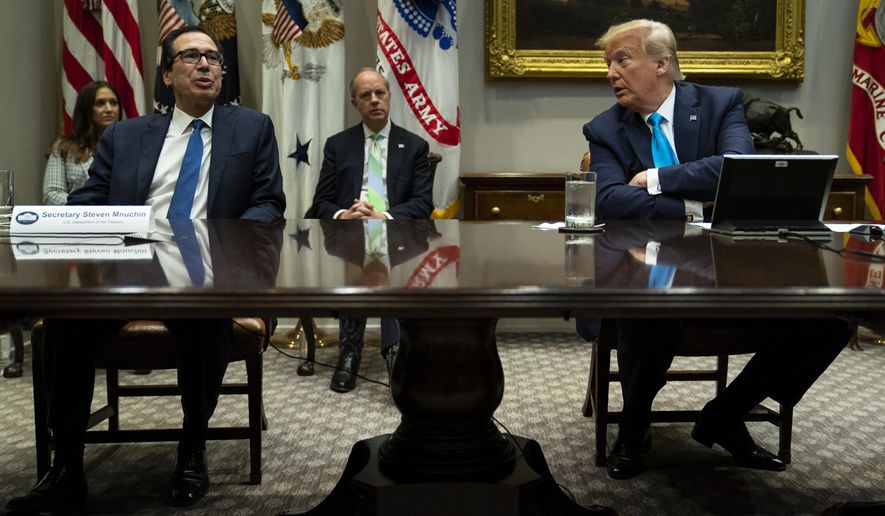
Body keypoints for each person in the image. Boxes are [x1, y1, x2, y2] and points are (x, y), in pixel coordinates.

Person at [6, 26, 284, 514]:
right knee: (65, 321)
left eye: (213, 58)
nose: (205, 65)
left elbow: (267, 206)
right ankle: (66, 469)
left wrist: (217, 247)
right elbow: (91, 200)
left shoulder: (252, 128)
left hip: (206, 272)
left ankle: (192, 451)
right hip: (127, 270)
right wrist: (56, 221)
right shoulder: (126, 135)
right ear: (167, 74)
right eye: (192, 57)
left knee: (203, 317)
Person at [582, 19, 852, 480]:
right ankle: (634, 425)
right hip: (649, 265)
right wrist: (694, 202)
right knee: (646, 311)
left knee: (828, 320)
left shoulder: (719, 103)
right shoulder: (605, 128)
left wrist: (656, 180)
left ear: (662, 64)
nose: (611, 72)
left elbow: (737, 166)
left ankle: (728, 413)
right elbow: (609, 200)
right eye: (608, 63)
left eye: (622, 59)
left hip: (730, 266)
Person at [305, 68, 433, 393]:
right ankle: (350, 351)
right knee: (355, 256)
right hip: (350, 234)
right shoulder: (338, 146)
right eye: (366, 95)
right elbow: (321, 202)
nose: (374, 100)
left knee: (385, 258)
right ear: (355, 103)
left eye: (380, 93)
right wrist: (344, 214)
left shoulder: (414, 145)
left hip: (398, 233)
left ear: (389, 97)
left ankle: (395, 351)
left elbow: (422, 204)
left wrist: (383, 215)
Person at [42, 81, 121, 205]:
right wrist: (87, 209)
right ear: (86, 108)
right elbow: (52, 194)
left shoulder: (130, 146)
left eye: (114, 103)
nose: (109, 109)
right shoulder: (63, 147)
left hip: (120, 220)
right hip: (76, 221)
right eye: (100, 103)